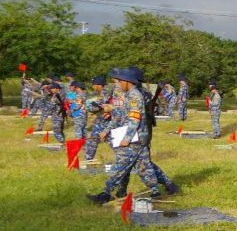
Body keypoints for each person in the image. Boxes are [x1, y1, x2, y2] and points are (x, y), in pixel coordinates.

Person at [87, 66, 177, 204]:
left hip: (136, 138)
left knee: (121, 165)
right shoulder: (129, 95)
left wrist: (126, 139)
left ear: (128, 81)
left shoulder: (135, 97)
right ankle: (156, 190)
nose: (118, 84)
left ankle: (105, 194)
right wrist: (106, 130)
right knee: (143, 165)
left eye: (120, 81)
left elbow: (134, 119)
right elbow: (118, 116)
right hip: (133, 136)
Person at [82, 75, 112, 160]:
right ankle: (88, 160)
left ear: (99, 85)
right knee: (93, 140)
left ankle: (126, 160)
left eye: (94, 85)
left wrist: (87, 107)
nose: (93, 87)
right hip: (101, 120)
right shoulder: (102, 93)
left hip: (107, 121)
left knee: (113, 142)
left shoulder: (105, 93)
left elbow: (98, 107)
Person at [65, 79, 86, 143]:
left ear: (78, 88)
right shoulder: (82, 94)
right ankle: (84, 143)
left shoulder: (79, 94)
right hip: (82, 114)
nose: (75, 89)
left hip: (78, 114)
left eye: (76, 87)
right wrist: (72, 101)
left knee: (78, 130)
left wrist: (70, 110)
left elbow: (77, 105)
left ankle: (78, 143)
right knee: (83, 129)